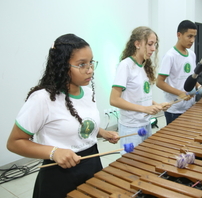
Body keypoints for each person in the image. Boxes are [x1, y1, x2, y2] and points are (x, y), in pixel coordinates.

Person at [6, 34, 119, 198]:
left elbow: (77, 123)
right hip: (59, 174)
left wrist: (101, 132)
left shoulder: (87, 92)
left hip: (92, 165)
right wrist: (54, 152)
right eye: (82, 65)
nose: (90, 70)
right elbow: (14, 143)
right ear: (62, 66)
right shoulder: (42, 99)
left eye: (91, 62)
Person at [110, 26, 170, 154]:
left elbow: (140, 96)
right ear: (137, 44)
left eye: (155, 44)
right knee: (131, 166)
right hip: (131, 128)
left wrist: (156, 105)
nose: (153, 49)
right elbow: (114, 100)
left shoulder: (144, 65)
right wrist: (145, 109)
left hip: (145, 124)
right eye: (150, 44)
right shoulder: (125, 65)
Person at [156, 20, 202, 125]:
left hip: (190, 106)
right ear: (179, 35)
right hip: (175, 109)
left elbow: (191, 78)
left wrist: (200, 88)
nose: (192, 40)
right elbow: (159, 82)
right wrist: (180, 93)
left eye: (194, 37)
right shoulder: (170, 56)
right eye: (189, 36)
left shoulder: (192, 54)